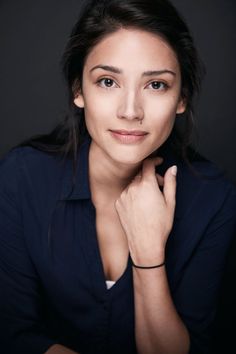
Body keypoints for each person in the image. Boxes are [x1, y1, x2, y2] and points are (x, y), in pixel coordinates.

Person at [0, 0, 236, 353]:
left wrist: (147, 251)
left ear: (182, 97)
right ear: (78, 90)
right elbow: (12, 334)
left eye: (156, 85)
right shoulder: (22, 178)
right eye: (108, 81)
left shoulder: (213, 198)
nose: (130, 111)